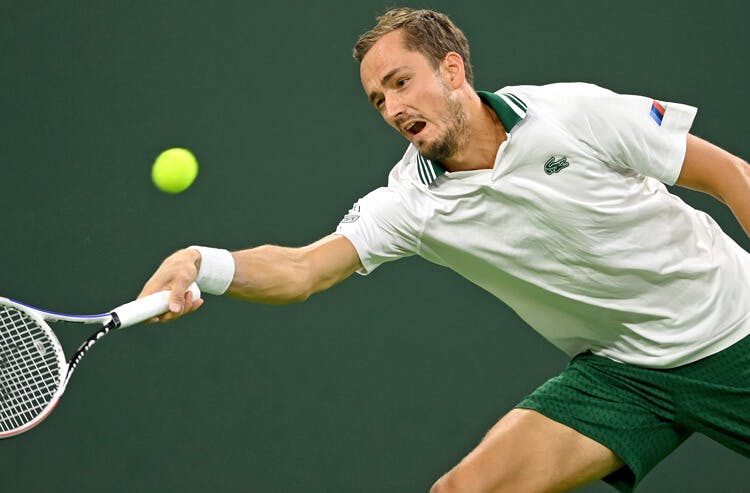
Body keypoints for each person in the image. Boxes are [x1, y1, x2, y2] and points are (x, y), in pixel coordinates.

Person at [138, 7, 750, 493]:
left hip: (733, 328)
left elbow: (729, 175)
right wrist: (201, 263)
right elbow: (302, 270)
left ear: (452, 71)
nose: (394, 107)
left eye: (401, 82)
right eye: (379, 99)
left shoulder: (572, 114)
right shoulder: (409, 203)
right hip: (623, 373)